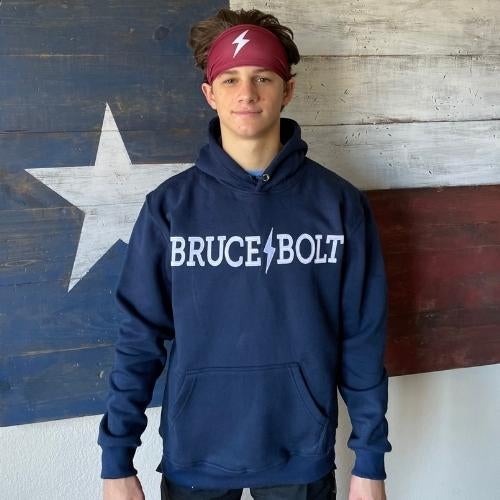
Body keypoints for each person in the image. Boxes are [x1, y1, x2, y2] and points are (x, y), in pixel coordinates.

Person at [98, 7, 392, 500]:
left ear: (287, 90)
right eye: (230, 79)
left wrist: (370, 461)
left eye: (263, 77)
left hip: (300, 455)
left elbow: (362, 340)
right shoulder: (169, 209)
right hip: (196, 456)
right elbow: (138, 340)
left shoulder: (339, 206)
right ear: (209, 93)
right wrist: (116, 461)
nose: (247, 93)